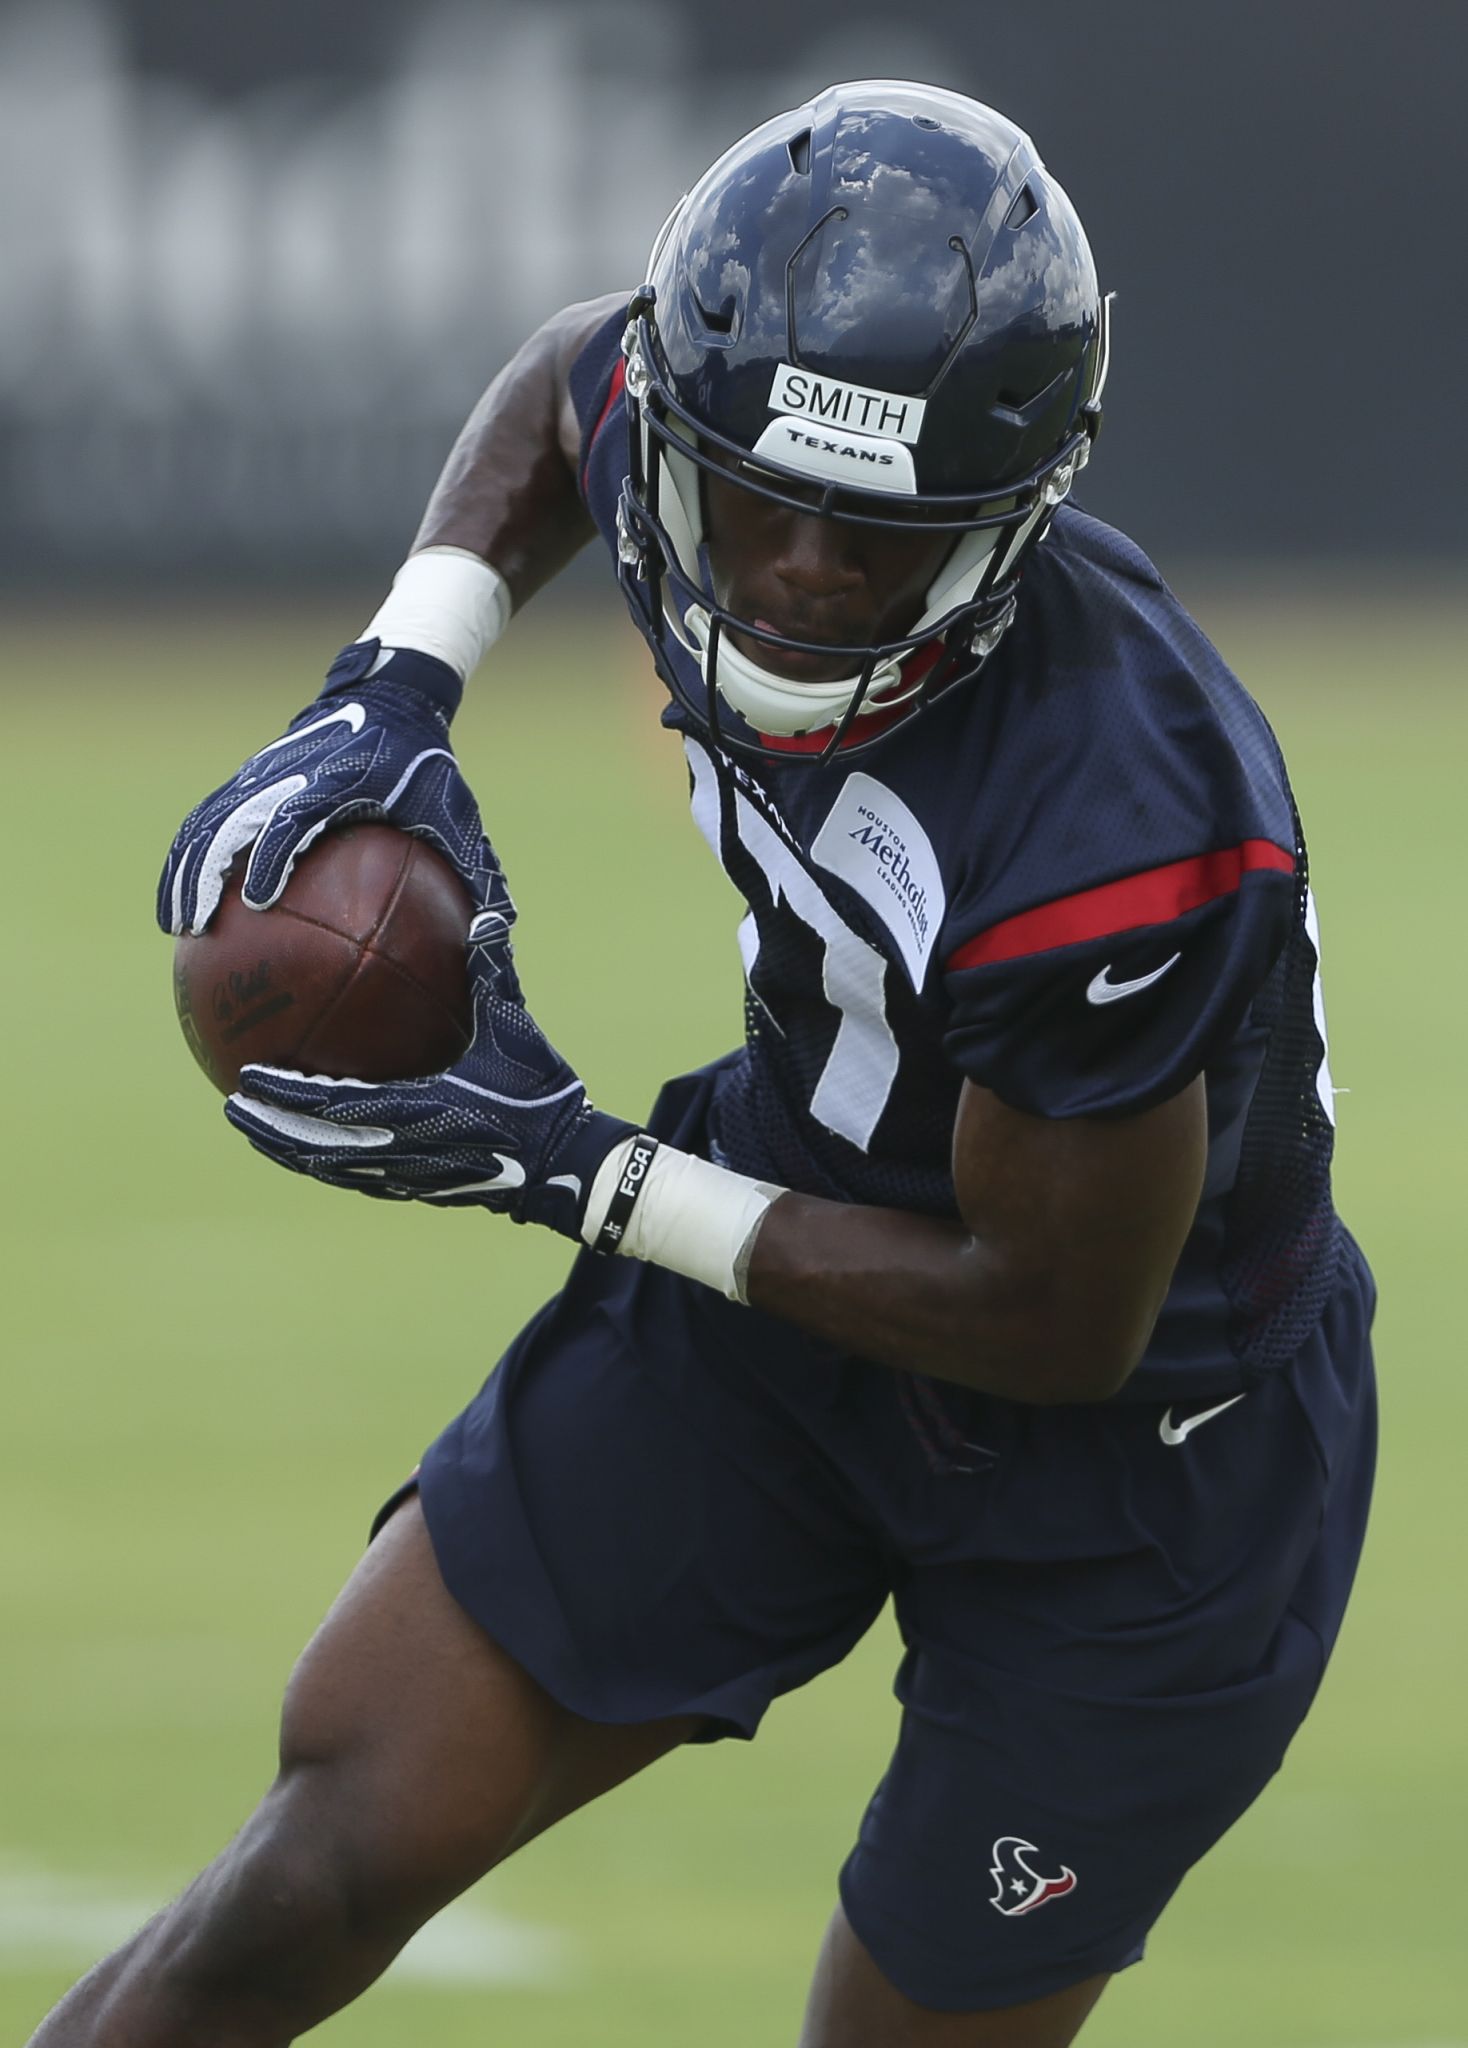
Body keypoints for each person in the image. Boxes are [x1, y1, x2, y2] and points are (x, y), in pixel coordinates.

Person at [34, 79, 1375, 2048]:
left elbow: (1052, 1320)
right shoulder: (676, 422)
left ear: (1006, 521)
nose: (804, 573)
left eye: (874, 533)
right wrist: (398, 675)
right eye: (758, 499)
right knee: (326, 1833)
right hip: (785, 1265)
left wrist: (572, 1173)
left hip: (1140, 1451)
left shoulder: (1123, 807)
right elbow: (567, 375)